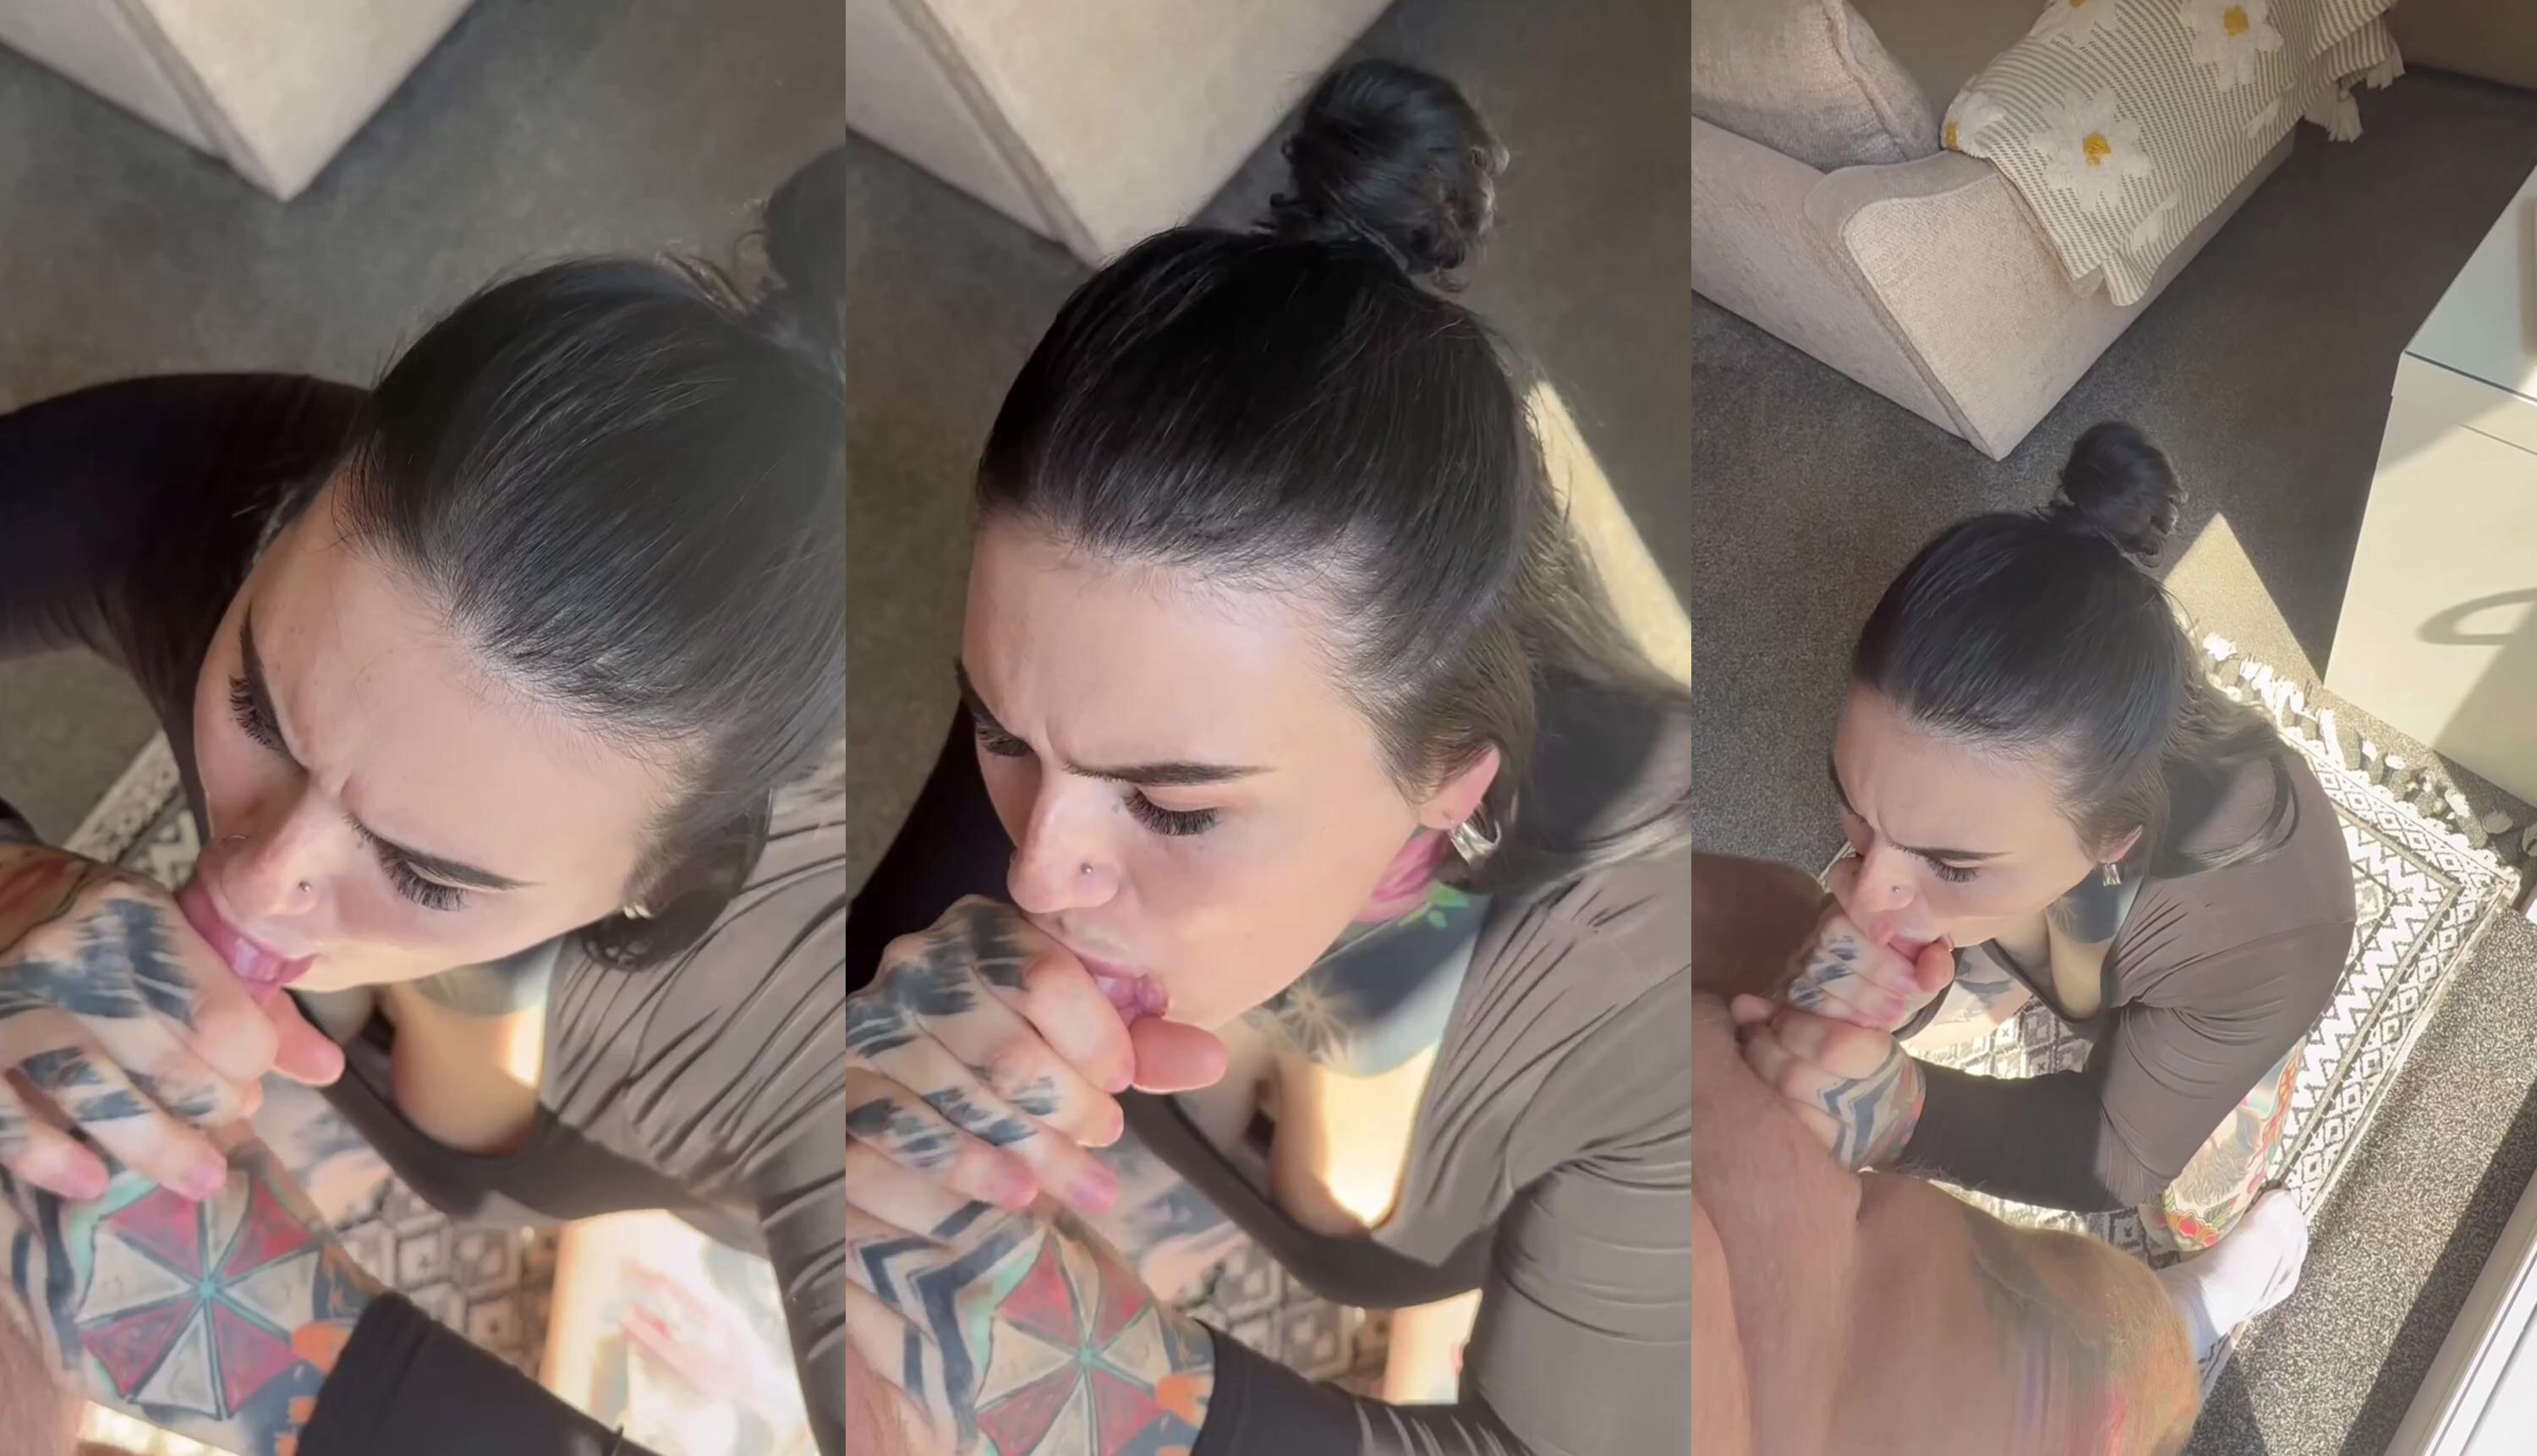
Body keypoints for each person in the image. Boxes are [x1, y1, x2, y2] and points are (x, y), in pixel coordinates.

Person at [838, 60, 1701, 1455]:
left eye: (1174, 809)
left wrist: (1088, 1380)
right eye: (997, 729)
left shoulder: (1650, 1002)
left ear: (1446, 786)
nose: (1037, 871)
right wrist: (858, 1106)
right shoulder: (1087, 698)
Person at [0, 156, 852, 1453]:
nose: (253, 877)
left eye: (426, 872)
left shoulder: (829, 1050)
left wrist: (278, 1355)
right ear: (290, 516)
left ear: (675, 874)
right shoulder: (221, 490)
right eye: (258, 710)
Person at [1732, 424, 2353, 1360]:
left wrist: (1904, 1112)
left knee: (2186, 1206)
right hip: (2072, 903)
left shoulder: (2262, 934)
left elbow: (2116, 1156)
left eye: (1952, 864)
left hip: (2218, 990)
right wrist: (1896, 967)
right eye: (1855, 813)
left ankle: (2226, 1228)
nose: (1860, 894)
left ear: (2109, 845)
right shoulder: (1990, 826)